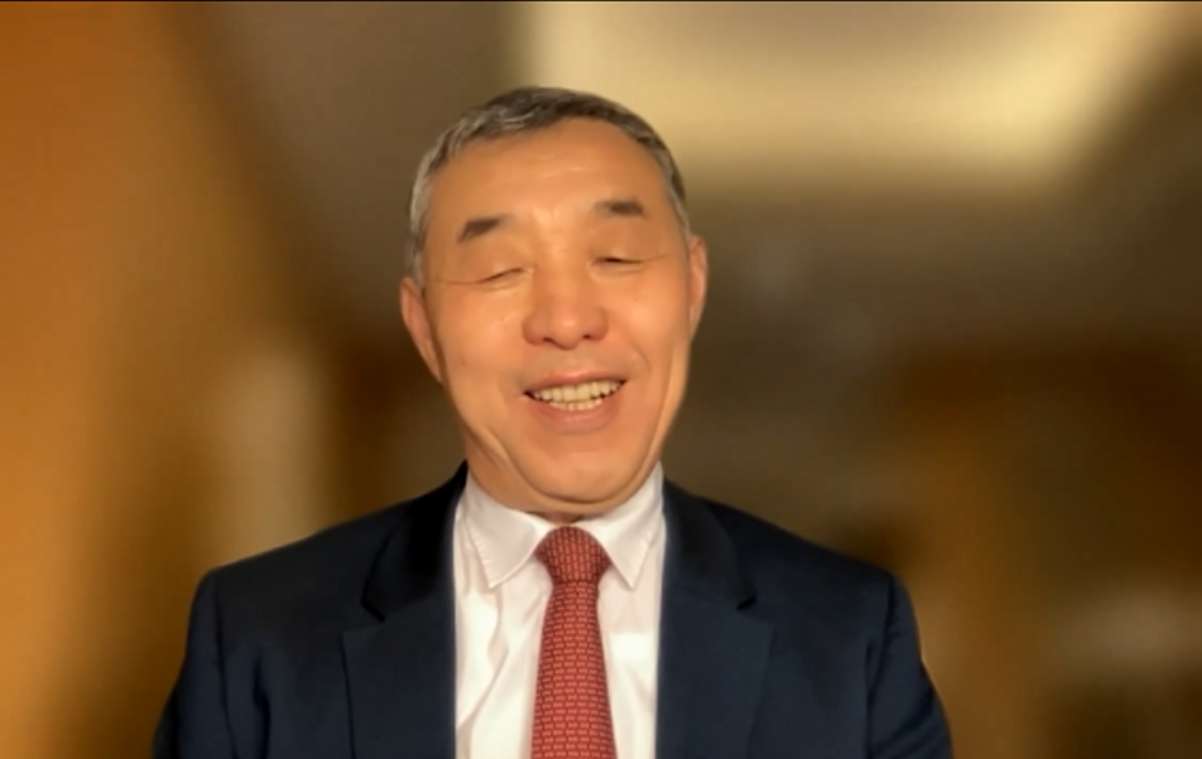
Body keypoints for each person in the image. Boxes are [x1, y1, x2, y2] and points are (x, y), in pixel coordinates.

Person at [152, 86, 953, 759]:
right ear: (425, 328)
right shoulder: (258, 637)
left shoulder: (850, 636)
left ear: (692, 288)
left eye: (617, 257)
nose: (567, 320)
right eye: (501, 270)